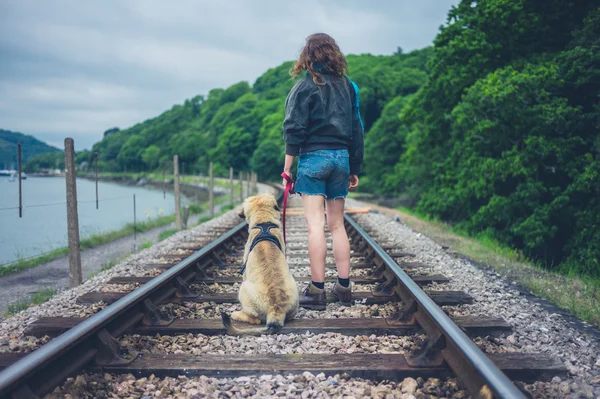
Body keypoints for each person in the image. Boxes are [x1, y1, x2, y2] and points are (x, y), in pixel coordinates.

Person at [282, 33, 364, 310]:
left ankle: (317, 291)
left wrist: (287, 169)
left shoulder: (303, 88)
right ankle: (344, 287)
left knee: (315, 225)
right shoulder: (348, 88)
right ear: (333, 54)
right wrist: (355, 166)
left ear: (307, 56)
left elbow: (294, 129)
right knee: (337, 225)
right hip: (341, 157)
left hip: (313, 159)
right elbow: (357, 128)